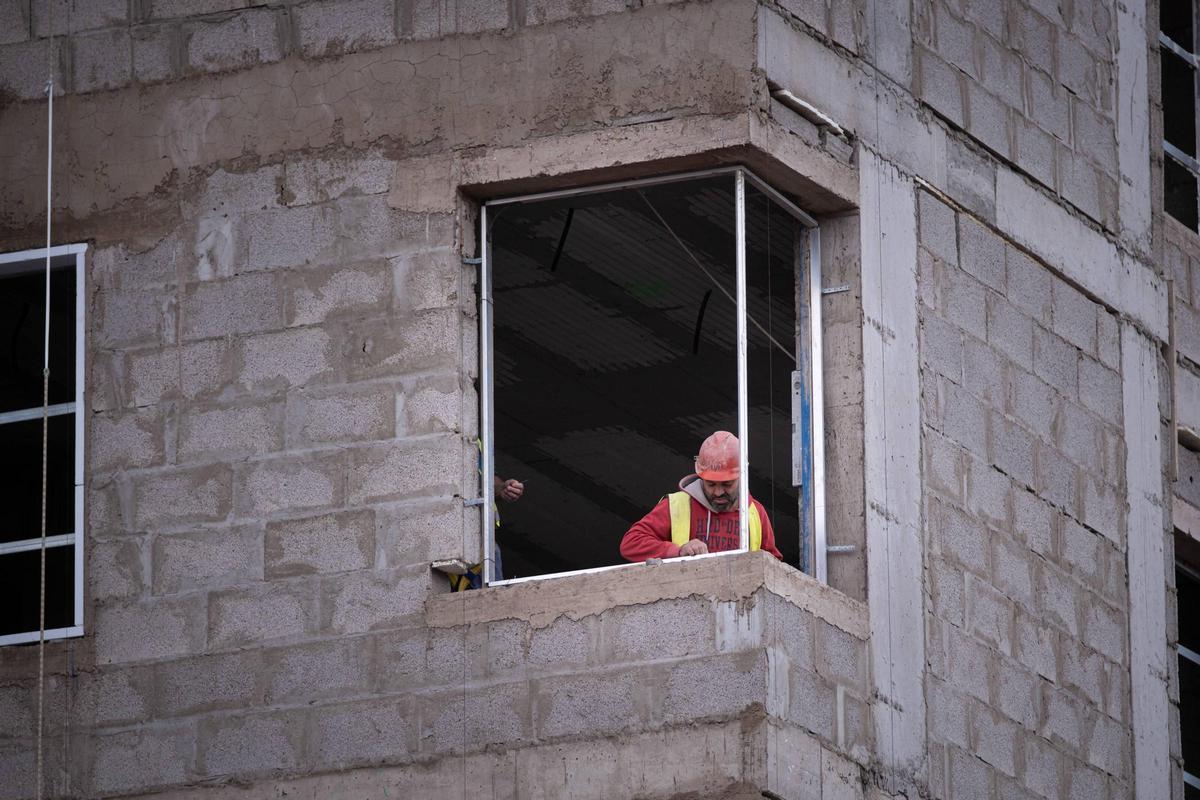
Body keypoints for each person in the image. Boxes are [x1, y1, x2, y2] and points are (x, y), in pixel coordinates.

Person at [620, 431, 783, 561]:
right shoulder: (678, 505)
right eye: (711, 484)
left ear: (742, 476)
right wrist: (678, 551)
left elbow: (773, 566)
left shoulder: (755, 512)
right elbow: (631, 543)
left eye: (727, 484)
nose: (718, 492)